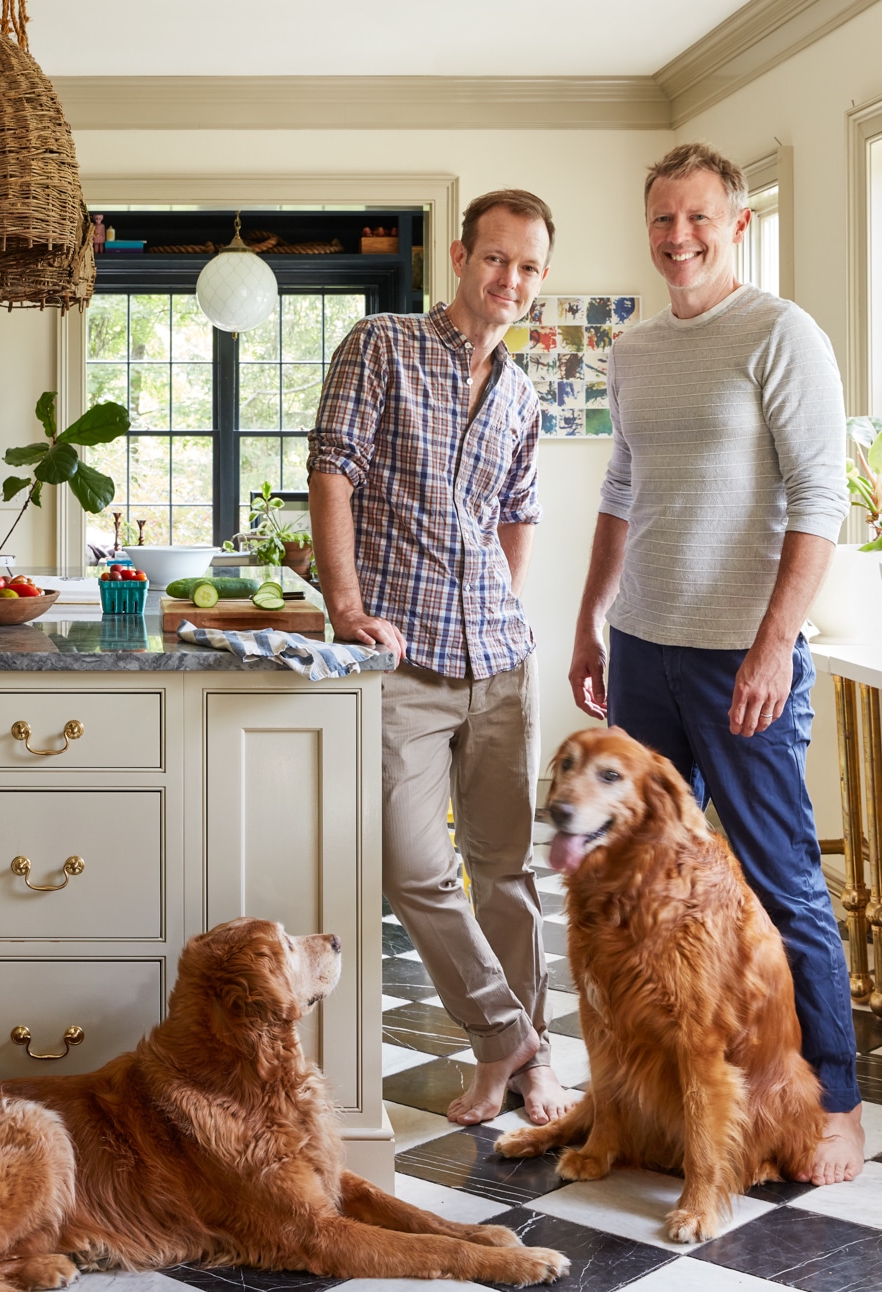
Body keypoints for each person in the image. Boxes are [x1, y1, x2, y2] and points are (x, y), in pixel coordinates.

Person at [569, 141, 865, 1185]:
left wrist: (774, 643)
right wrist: (589, 618)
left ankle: (832, 1096)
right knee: (641, 882)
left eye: (697, 218)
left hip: (742, 656)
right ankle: (657, 1093)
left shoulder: (782, 334)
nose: (678, 237)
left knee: (779, 883)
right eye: (661, 220)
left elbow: (819, 500)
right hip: (641, 644)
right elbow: (620, 488)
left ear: (735, 223)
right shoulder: (636, 346)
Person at [307, 189, 572, 1126]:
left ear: (542, 281)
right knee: (412, 866)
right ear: (461, 257)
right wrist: (346, 606)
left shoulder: (523, 391)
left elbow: (518, 512)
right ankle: (508, 1033)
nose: (511, 279)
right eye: (496, 258)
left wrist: (506, 606)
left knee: (505, 869)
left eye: (530, 267)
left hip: (499, 659)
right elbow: (332, 468)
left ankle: (519, 1067)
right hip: (403, 657)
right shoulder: (380, 346)